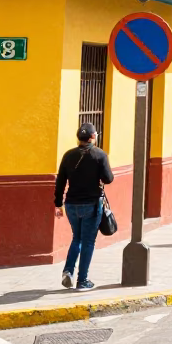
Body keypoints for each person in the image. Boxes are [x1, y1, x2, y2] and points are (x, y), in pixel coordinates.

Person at [54, 122, 114, 291]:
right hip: (91, 204)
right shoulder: (99, 155)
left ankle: (68, 270)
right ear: (93, 137)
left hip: (71, 204)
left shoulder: (68, 155)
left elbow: (60, 182)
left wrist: (58, 204)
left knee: (77, 238)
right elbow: (108, 179)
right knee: (88, 242)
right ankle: (82, 280)